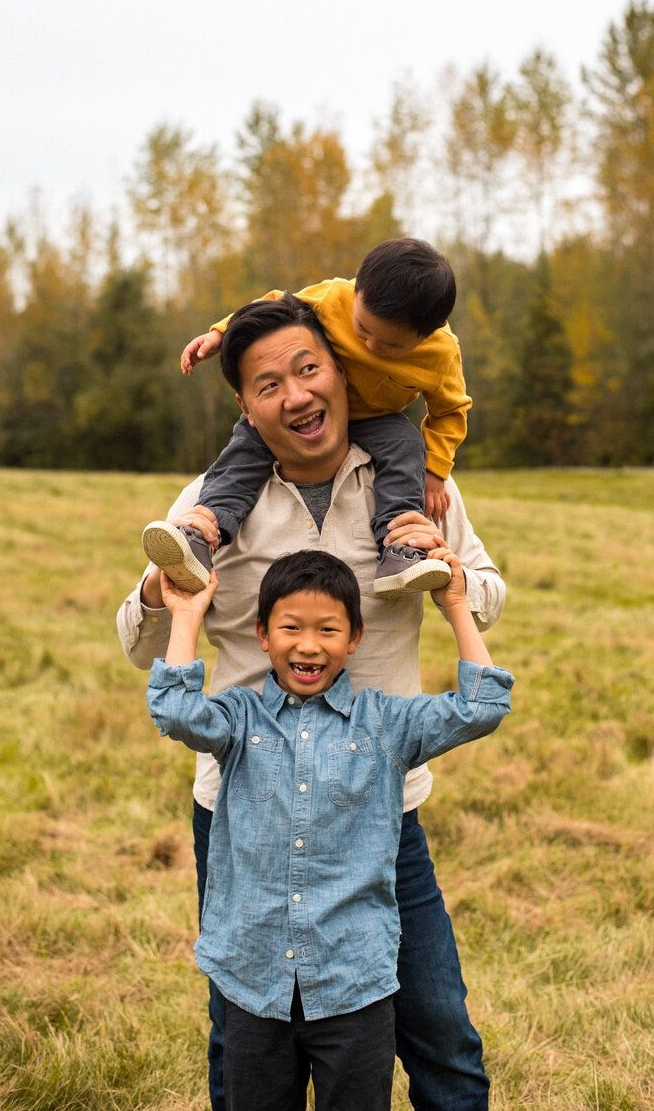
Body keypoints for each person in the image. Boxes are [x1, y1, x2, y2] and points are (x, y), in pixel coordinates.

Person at [117, 292, 506, 1111]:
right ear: (245, 407)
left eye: (307, 368)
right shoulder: (210, 504)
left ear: (343, 371)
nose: (295, 394)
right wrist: (158, 592)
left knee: (437, 1025)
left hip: (381, 811)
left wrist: (457, 578)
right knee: (249, 1030)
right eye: (268, 383)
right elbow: (144, 646)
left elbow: (488, 591)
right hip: (244, 816)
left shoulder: (416, 486)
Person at [147, 549, 513, 1111]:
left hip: (354, 986)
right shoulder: (241, 719)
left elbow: (483, 706)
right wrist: (189, 612)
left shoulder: (386, 724)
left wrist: (457, 604)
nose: (310, 645)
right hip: (254, 984)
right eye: (290, 627)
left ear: (355, 638)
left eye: (328, 629)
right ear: (262, 637)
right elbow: (174, 710)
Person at [145, 238, 471, 596]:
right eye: (362, 329)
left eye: (392, 346)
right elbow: (274, 305)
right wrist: (220, 333)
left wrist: (436, 470)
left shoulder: (441, 354)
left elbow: (450, 411)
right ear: (357, 288)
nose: (371, 347)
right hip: (319, 405)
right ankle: (201, 532)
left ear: (431, 330)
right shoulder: (335, 295)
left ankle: (402, 548)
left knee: (407, 445)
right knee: (243, 453)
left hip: (377, 419)